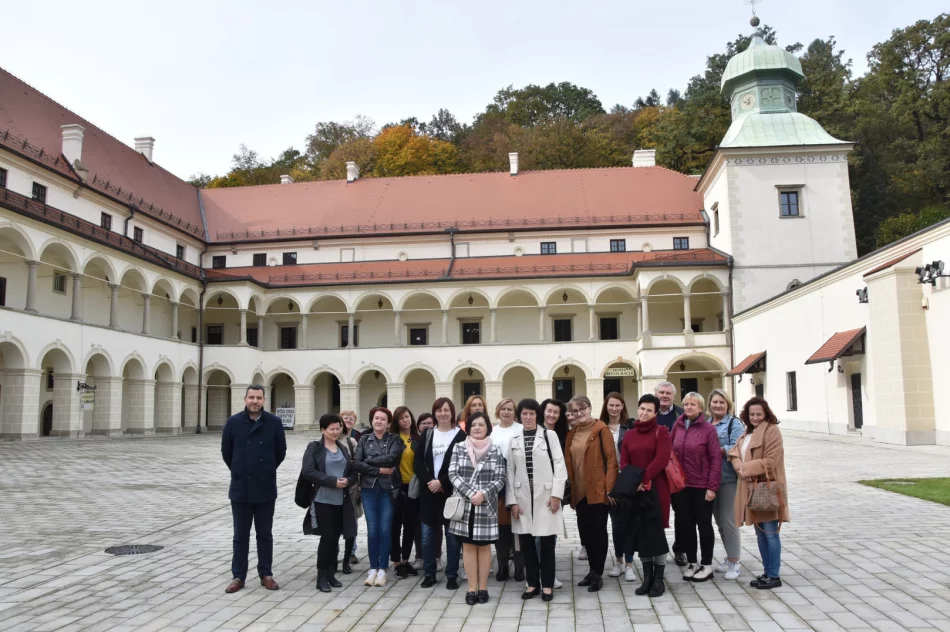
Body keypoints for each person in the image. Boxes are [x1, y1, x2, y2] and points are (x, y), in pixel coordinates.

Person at [221, 385, 286, 594]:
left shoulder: (274, 423)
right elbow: (226, 452)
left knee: (264, 534)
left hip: (265, 487)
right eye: (251, 397)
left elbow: (280, 451)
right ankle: (238, 576)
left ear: (264, 400)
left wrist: (264, 469)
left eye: (258, 398)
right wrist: (241, 469)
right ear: (245, 399)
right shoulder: (233, 423)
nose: (255, 401)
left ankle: (266, 573)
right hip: (241, 487)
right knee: (240, 535)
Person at [507, 399, 566, 602]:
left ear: (537, 415)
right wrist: (512, 502)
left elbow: (560, 466)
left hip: (546, 498)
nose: (528, 417)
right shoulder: (513, 439)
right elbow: (509, 473)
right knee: (527, 545)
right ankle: (532, 584)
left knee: (547, 543)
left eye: (532, 413)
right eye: (524, 414)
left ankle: (547, 585)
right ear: (519, 416)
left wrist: (557, 494)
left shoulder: (549, 436)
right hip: (522, 499)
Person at [729, 397, 789, 591]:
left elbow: (770, 461)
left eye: (758, 414)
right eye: (751, 414)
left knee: (770, 533)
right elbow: (734, 453)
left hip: (765, 488)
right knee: (760, 533)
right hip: (751, 488)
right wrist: (740, 467)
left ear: (766, 414)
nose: (755, 417)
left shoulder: (772, 431)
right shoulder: (748, 432)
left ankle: (774, 575)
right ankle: (767, 572)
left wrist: (744, 469)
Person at [447, 412, 505, 605]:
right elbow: (453, 474)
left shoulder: (495, 450)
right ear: (468, 428)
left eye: (481, 424)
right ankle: (471, 588)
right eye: (474, 425)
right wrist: (472, 493)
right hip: (465, 505)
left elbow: (500, 478)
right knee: (469, 546)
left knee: (485, 546)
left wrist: (483, 494)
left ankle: (483, 588)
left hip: (486, 505)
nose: (478, 428)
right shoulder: (458, 447)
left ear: (488, 427)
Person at [619, 394, 672, 597]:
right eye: (642, 408)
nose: (644, 413)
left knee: (656, 535)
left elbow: (662, 459)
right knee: (641, 534)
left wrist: (644, 478)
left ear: (656, 413)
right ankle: (647, 578)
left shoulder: (662, 432)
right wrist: (635, 482)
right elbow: (624, 461)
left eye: (649, 410)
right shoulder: (630, 434)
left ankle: (659, 579)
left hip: (656, 490)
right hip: (636, 492)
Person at [564, 395, 619, 592]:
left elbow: (612, 460)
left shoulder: (601, 429)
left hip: (597, 490)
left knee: (598, 532)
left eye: (583, 408)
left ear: (589, 408)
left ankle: (597, 573)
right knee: (585, 533)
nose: (579, 413)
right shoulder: (572, 434)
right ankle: (591, 570)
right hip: (579, 491)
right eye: (575, 410)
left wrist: (610, 488)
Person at [302, 414, 359, 592]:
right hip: (323, 499)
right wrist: (332, 481)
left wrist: (348, 481)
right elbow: (308, 471)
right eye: (332, 429)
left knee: (334, 538)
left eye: (338, 428)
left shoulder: (342, 448)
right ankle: (321, 576)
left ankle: (330, 574)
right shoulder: (315, 447)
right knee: (326, 539)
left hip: (341, 500)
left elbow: (352, 472)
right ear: (323, 430)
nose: (336, 432)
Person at [670, 392, 721, 583]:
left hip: (702, 485)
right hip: (682, 486)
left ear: (700, 408)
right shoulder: (678, 425)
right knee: (686, 524)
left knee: (704, 524)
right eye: (686, 404)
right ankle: (692, 562)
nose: (689, 407)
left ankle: (706, 565)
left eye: (693, 404)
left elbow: (716, 459)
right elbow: (669, 451)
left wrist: (712, 487)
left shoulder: (708, 429)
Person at [415, 398, 466, 589]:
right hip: (429, 493)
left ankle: (452, 575)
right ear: (434, 413)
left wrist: (442, 482)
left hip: (450, 493)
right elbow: (418, 463)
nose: (443, 413)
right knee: (428, 536)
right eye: (439, 410)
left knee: (452, 537)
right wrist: (430, 482)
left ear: (452, 412)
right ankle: (429, 573)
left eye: (446, 410)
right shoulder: (428, 434)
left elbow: (461, 465)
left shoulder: (461, 436)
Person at [353, 406, 404, 587]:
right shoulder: (364, 439)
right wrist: (378, 469)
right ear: (372, 420)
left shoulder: (394, 439)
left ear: (389, 423)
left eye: (383, 419)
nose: (379, 421)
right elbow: (356, 463)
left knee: (384, 529)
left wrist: (369, 460)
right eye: (376, 418)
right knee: (372, 530)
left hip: (388, 490)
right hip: (368, 489)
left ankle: (383, 569)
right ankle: (373, 568)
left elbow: (392, 459)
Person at [707, 389, 744, 581]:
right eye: (714, 402)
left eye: (721, 402)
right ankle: (730, 557)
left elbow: (737, 447)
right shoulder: (706, 423)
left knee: (729, 521)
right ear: (710, 404)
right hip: (710, 480)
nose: (718, 405)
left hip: (728, 478)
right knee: (719, 521)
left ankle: (735, 562)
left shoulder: (733, 423)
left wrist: (717, 450)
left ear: (727, 404)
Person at [601, 392, 635, 581]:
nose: (614, 408)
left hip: (626, 479)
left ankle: (630, 564)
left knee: (629, 523)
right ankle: (619, 561)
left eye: (617, 405)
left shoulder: (629, 426)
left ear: (622, 407)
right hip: (608, 480)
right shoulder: (600, 427)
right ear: (606, 406)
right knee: (615, 524)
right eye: (611, 405)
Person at [490, 398, 525, 582]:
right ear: (498, 411)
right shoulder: (492, 432)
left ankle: (520, 567)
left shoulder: (520, 429)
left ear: (515, 412)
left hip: (519, 484)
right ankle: (503, 566)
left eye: (510, 409)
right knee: (502, 528)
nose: (506, 412)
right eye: (503, 409)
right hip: (499, 486)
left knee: (518, 528)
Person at [654, 382, 686, 565]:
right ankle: (659, 548)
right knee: (657, 512)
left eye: (668, 393)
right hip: (657, 473)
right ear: (655, 394)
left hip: (677, 472)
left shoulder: (682, 415)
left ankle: (680, 549)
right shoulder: (649, 413)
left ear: (673, 396)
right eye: (661, 392)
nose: (664, 396)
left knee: (681, 513)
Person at [390, 406, 420, 579]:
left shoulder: (417, 438)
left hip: (413, 487)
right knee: (395, 526)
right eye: (401, 418)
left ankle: (406, 560)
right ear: (397, 422)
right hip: (397, 487)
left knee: (410, 526)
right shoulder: (393, 439)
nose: (405, 420)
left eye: (407, 416)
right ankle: (396, 561)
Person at [339, 409, 362, 568]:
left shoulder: (354, 440)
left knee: (351, 520)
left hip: (351, 487)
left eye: (351, 419)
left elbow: (358, 465)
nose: (348, 421)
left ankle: (351, 551)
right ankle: (333, 552)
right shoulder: (328, 439)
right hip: (333, 486)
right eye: (345, 418)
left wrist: (358, 485)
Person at [412, 412, 435, 571]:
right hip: (417, 487)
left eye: (429, 423)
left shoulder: (435, 439)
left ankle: (436, 557)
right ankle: (420, 556)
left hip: (433, 487)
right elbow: (418, 463)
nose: (426, 426)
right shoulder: (414, 440)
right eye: (423, 423)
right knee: (417, 524)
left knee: (434, 525)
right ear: (418, 425)